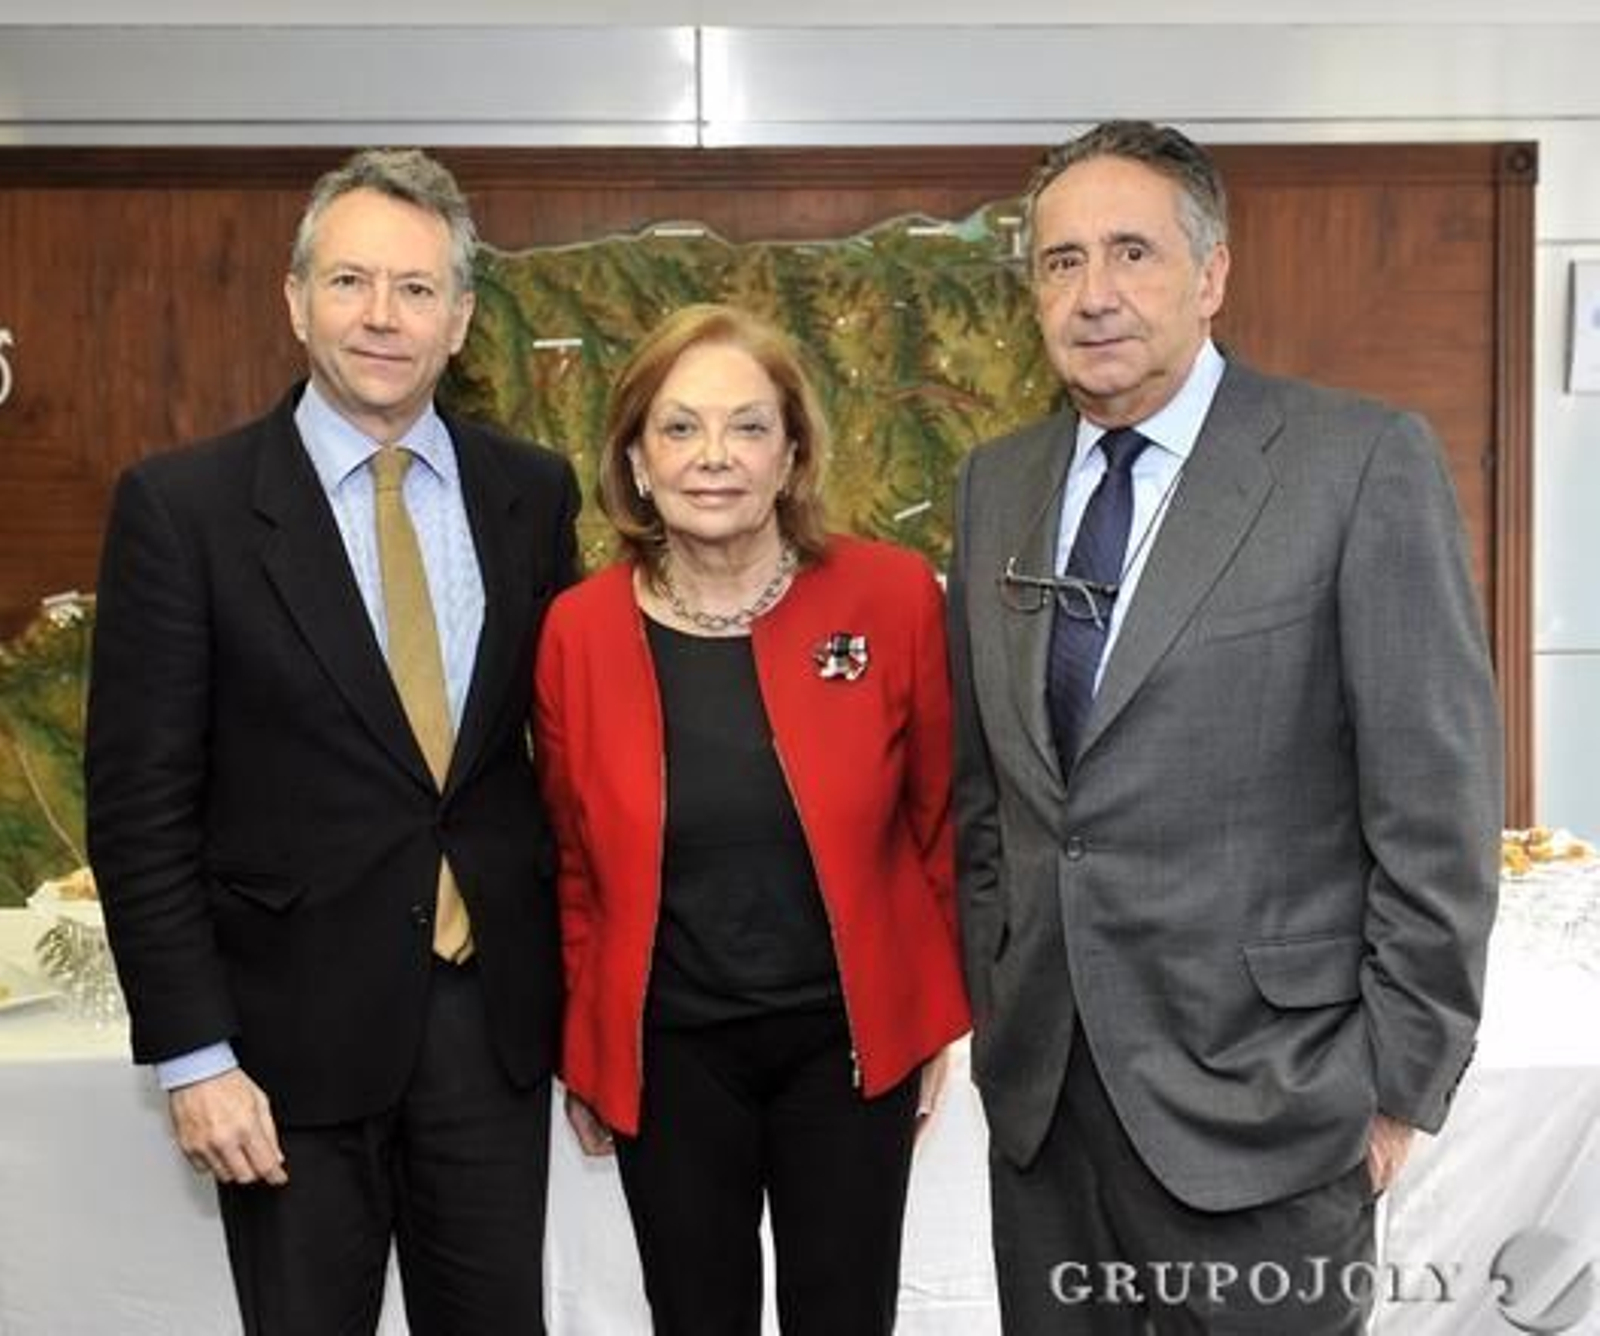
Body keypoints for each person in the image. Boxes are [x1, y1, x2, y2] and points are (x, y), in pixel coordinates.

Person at [947, 121, 1502, 1333]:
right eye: (1059, 261)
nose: (1093, 294)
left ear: (1209, 276)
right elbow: (990, 795)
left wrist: (1393, 1082)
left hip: (1269, 1106)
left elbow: (1435, 804)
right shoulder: (999, 483)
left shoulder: (1354, 465)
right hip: (1049, 1106)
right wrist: (999, 1007)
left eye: (1132, 253)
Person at [84, 148, 580, 1335]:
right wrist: (195, 1056)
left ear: (460, 319)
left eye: (415, 289)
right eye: (350, 280)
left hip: (486, 1027)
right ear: (295, 298)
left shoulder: (533, 493)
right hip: (283, 1049)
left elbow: (547, 763)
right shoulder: (183, 510)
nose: (380, 316)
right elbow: (138, 805)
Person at [534, 302, 969, 1335]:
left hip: (847, 1047)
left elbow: (940, 818)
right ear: (635, 458)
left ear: (791, 455)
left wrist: (928, 1015)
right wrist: (586, 1046)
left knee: (844, 1316)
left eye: (747, 426)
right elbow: (571, 863)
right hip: (671, 1053)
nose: (712, 457)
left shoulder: (892, 595)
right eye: (679, 427)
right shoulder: (577, 631)